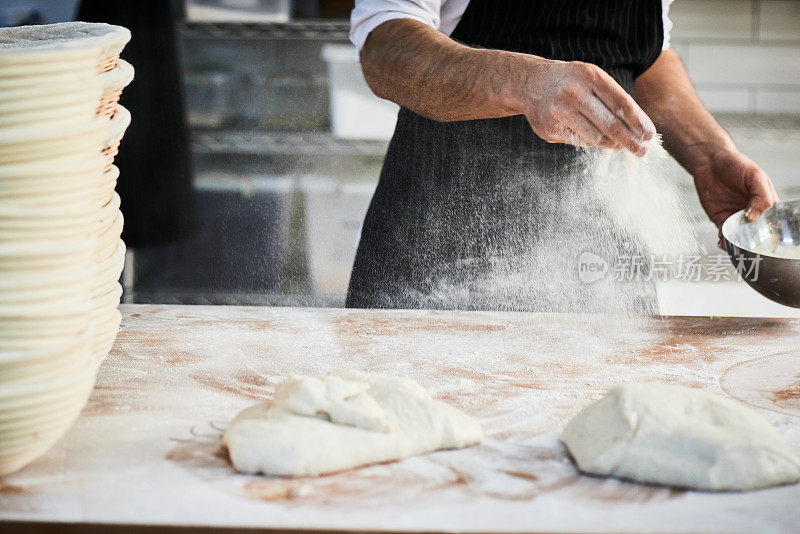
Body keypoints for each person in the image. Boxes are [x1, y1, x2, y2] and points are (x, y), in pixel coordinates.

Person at [345, 0, 778, 312]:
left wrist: (709, 154)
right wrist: (523, 82)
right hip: (444, 244)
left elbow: (645, 57)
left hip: (603, 255)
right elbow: (385, 43)